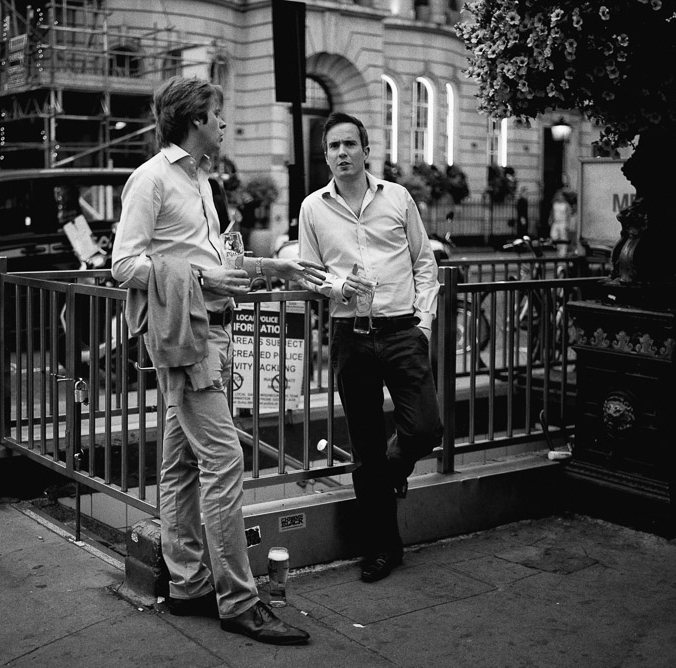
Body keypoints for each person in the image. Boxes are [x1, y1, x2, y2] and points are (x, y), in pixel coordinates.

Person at [111, 76, 323, 646]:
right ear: (194, 119)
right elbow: (123, 265)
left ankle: (188, 584)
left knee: (181, 465)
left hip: (208, 331)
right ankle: (238, 599)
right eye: (218, 113)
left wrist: (269, 269)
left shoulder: (201, 180)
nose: (225, 123)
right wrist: (204, 276)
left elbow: (209, 260)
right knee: (225, 461)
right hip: (188, 338)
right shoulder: (151, 179)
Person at [298, 112, 443, 583]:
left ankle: (389, 472)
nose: (341, 153)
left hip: (402, 330)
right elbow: (310, 271)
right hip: (351, 335)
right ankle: (383, 548)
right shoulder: (313, 208)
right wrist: (341, 288)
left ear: (365, 150)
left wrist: (423, 322)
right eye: (333, 147)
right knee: (364, 447)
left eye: (349, 145)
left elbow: (425, 263)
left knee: (425, 427)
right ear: (326, 156)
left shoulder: (398, 198)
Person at [549, 190, 573, 257]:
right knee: (553, 236)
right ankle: (559, 249)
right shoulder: (555, 204)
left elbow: (568, 215)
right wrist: (551, 219)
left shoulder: (565, 204)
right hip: (556, 222)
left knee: (563, 237)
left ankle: (563, 252)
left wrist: (568, 224)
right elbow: (552, 213)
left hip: (563, 222)